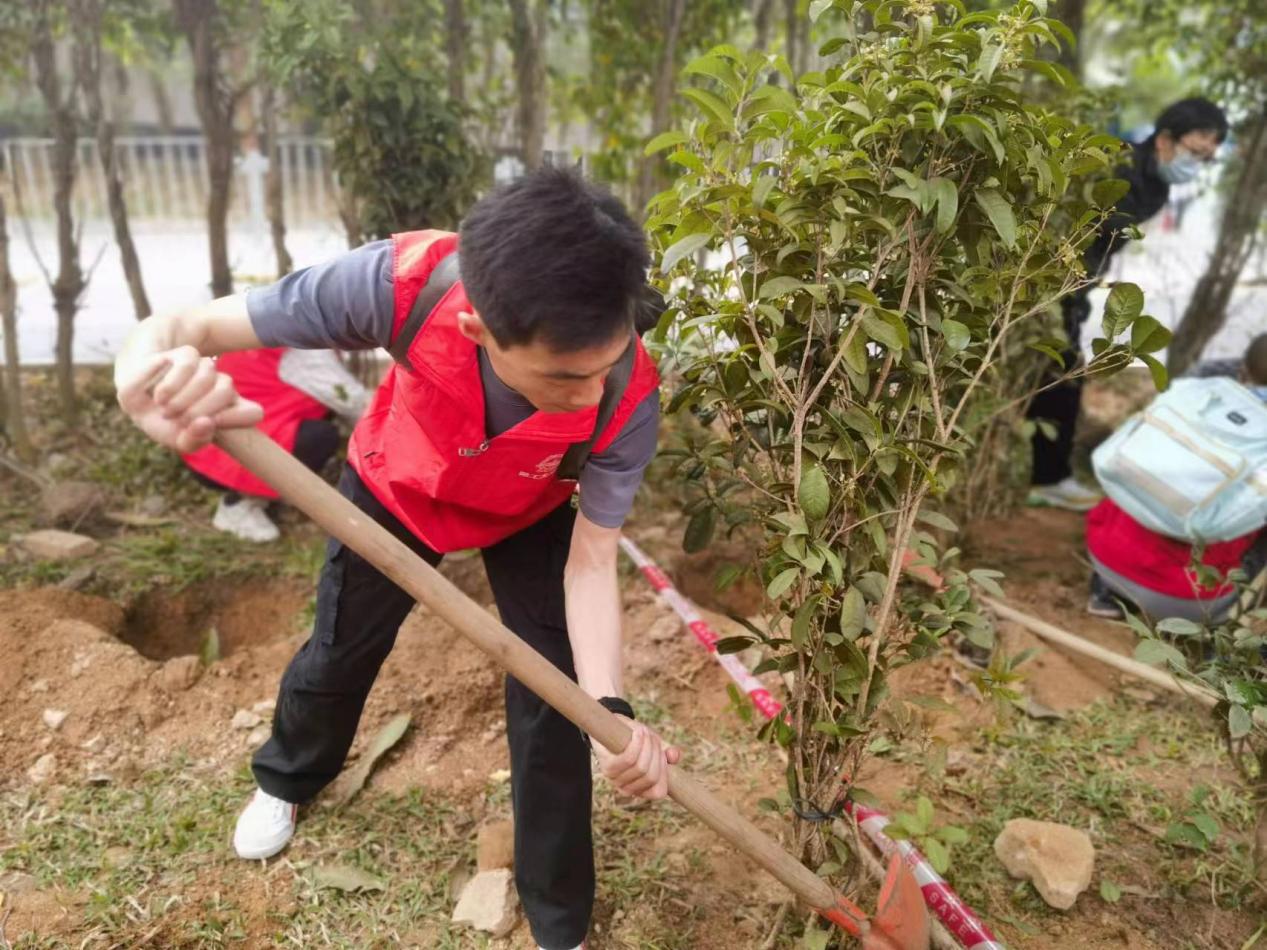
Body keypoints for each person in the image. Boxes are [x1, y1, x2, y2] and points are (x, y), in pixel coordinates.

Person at [114, 168, 679, 950]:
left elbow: (591, 562)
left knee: (556, 703)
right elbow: (186, 327)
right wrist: (134, 376)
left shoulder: (627, 398)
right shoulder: (400, 283)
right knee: (342, 646)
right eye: (562, 377)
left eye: (603, 367)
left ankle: (560, 923)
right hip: (397, 483)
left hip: (528, 507)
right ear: (479, 327)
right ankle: (287, 780)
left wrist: (608, 708)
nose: (590, 394)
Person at [1027, 97, 1229, 512]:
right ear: (1165, 139)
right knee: (1058, 372)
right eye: (1194, 151)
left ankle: (1048, 475)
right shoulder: (1117, 166)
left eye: (1205, 158)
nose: (1195, 163)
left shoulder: (1157, 186)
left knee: (1062, 372)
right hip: (1042, 276)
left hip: (1077, 282)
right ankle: (1046, 476)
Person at [1086, 334, 1267, 622]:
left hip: (1103, 555)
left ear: (1241, 370)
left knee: (1149, 459)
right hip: (1188, 599)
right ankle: (1225, 638)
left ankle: (1105, 593)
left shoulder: (1192, 391)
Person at [184, 347, 368, 542]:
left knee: (323, 421)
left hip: (209, 445)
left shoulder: (268, 332)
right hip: (226, 454)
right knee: (321, 438)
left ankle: (253, 494)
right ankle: (240, 505)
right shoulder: (304, 352)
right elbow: (351, 402)